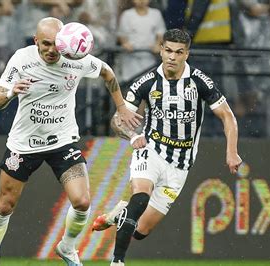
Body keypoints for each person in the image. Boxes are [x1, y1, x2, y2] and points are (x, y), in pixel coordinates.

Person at [0, 17, 142, 266]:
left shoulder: (75, 58)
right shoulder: (22, 59)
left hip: (63, 141)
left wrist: (121, 107)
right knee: (5, 206)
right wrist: (13, 91)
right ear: (36, 41)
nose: (51, 50)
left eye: (56, 44)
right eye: (45, 44)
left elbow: (107, 72)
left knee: (82, 202)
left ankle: (66, 247)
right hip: (25, 143)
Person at [91, 29, 243, 266]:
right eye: (168, 50)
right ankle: (117, 262)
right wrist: (132, 136)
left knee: (141, 230)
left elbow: (228, 117)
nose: (172, 57)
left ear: (187, 54)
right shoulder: (146, 82)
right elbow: (117, 120)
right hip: (150, 151)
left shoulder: (200, 82)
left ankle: (121, 213)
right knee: (140, 199)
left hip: (180, 165)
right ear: (161, 50)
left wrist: (231, 151)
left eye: (178, 52)